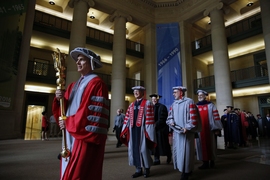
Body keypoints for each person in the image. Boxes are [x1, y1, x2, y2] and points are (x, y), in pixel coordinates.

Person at [52, 47, 109, 180]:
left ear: (91, 62)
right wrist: (59, 98)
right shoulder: (73, 85)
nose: (77, 62)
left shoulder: (97, 84)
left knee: (80, 173)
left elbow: (90, 114)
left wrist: (68, 122)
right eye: (77, 60)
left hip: (84, 136)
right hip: (70, 131)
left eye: (81, 60)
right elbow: (64, 109)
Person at [166, 86, 201, 180]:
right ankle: (184, 170)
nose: (173, 94)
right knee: (179, 152)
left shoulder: (189, 102)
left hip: (187, 133)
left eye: (175, 92)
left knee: (187, 153)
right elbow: (170, 116)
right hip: (177, 133)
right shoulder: (174, 104)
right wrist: (171, 121)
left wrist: (188, 127)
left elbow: (194, 118)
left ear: (181, 92)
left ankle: (186, 171)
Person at [120, 86, 156, 178]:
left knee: (143, 150)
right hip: (133, 131)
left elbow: (150, 119)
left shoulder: (147, 103)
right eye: (135, 91)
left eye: (138, 91)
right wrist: (124, 130)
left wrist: (149, 133)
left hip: (142, 131)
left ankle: (147, 169)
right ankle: (138, 169)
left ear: (142, 92)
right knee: (133, 150)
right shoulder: (131, 105)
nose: (135, 93)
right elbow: (127, 119)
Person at [195, 90, 223, 169]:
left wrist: (217, 128)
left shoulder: (211, 105)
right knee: (201, 145)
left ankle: (212, 161)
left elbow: (216, 116)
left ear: (205, 96)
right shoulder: (196, 106)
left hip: (210, 129)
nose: (199, 96)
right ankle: (205, 162)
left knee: (211, 145)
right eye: (198, 95)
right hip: (200, 130)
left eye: (201, 95)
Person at [149, 93, 172, 165]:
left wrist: (155, 125)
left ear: (158, 99)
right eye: (152, 99)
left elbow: (163, 118)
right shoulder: (150, 107)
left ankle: (169, 155)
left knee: (164, 144)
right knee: (155, 145)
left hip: (161, 129)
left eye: (155, 99)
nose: (154, 100)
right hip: (153, 129)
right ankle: (156, 159)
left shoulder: (162, 107)